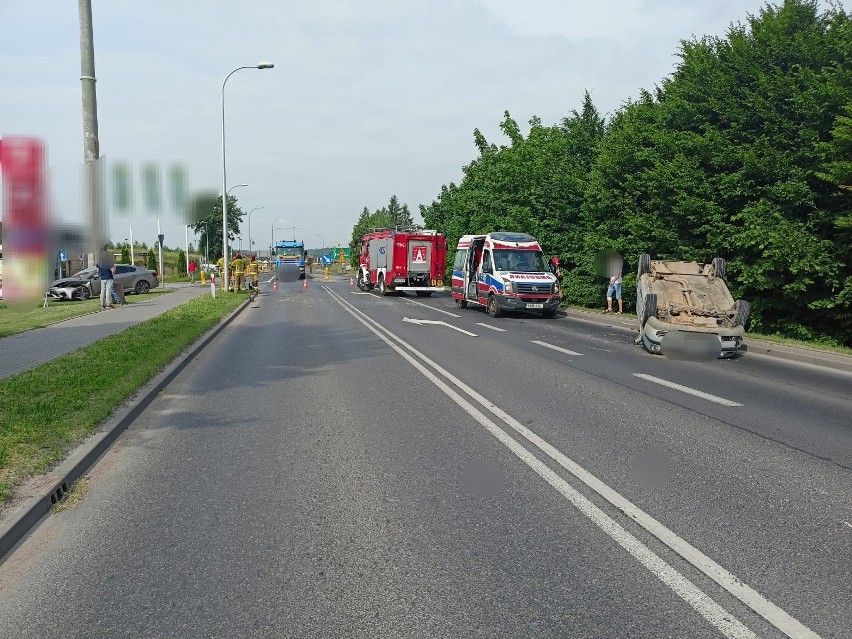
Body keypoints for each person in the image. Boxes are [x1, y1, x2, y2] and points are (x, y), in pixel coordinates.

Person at [96, 245, 116, 310]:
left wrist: (101, 273)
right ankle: (108, 305)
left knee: (102, 292)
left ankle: (102, 305)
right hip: (109, 277)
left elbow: (97, 270)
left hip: (102, 278)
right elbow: (112, 269)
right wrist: (112, 275)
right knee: (108, 292)